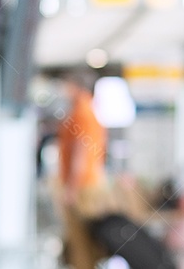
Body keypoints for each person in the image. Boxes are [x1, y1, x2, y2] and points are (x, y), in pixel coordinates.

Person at [56, 68, 108, 269]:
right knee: (85, 242)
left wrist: (71, 188)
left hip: (83, 188)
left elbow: (81, 153)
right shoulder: (89, 111)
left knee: (81, 243)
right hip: (90, 183)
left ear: (76, 87)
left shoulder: (82, 113)